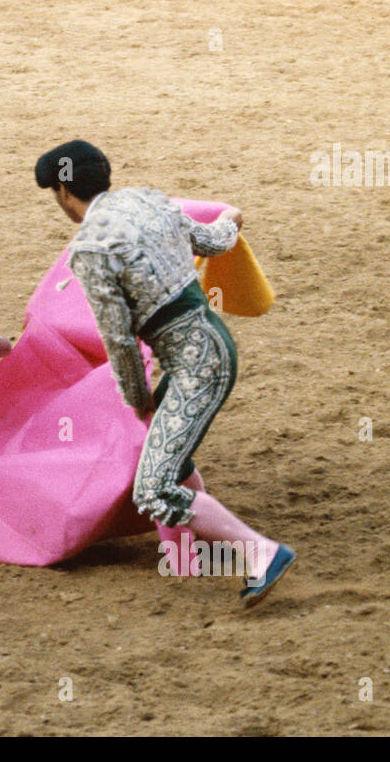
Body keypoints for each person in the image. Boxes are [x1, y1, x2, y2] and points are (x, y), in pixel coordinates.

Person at [35, 139, 295, 606]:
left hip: (196, 364)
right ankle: (199, 549)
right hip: (207, 347)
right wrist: (229, 224)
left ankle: (261, 553)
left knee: (154, 489)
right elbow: (214, 242)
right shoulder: (149, 202)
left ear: (61, 191)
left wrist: (137, 398)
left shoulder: (91, 247)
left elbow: (118, 339)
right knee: (167, 455)